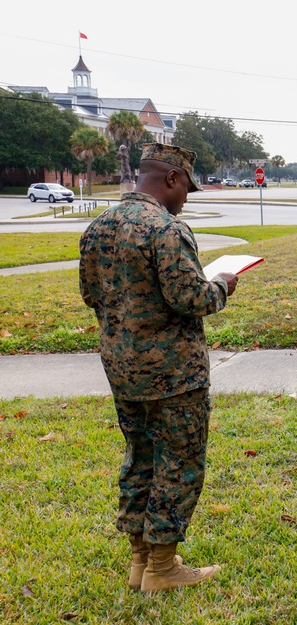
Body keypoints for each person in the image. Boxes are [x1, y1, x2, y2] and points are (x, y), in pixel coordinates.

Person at [78, 143, 237, 593]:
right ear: (171, 178)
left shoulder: (98, 227)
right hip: (173, 374)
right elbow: (193, 299)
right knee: (179, 463)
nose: (187, 196)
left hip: (121, 367)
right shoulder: (167, 230)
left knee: (139, 458)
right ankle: (163, 568)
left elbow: (91, 294)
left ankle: (140, 560)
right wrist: (222, 285)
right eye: (187, 185)